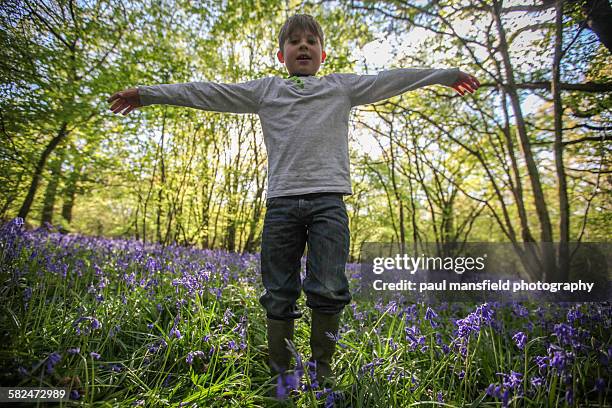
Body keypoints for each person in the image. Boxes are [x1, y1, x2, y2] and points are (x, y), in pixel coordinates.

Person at [107, 13, 479, 398]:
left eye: (311, 41)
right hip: (281, 206)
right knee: (279, 291)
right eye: (295, 41)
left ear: (322, 53)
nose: (304, 46)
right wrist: (146, 93)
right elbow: (208, 92)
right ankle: (282, 376)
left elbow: (390, 79)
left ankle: (323, 373)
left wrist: (444, 73)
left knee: (329, 287)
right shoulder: (267, 91)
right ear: (282, 55)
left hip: (329, 205)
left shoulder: (340, 88)